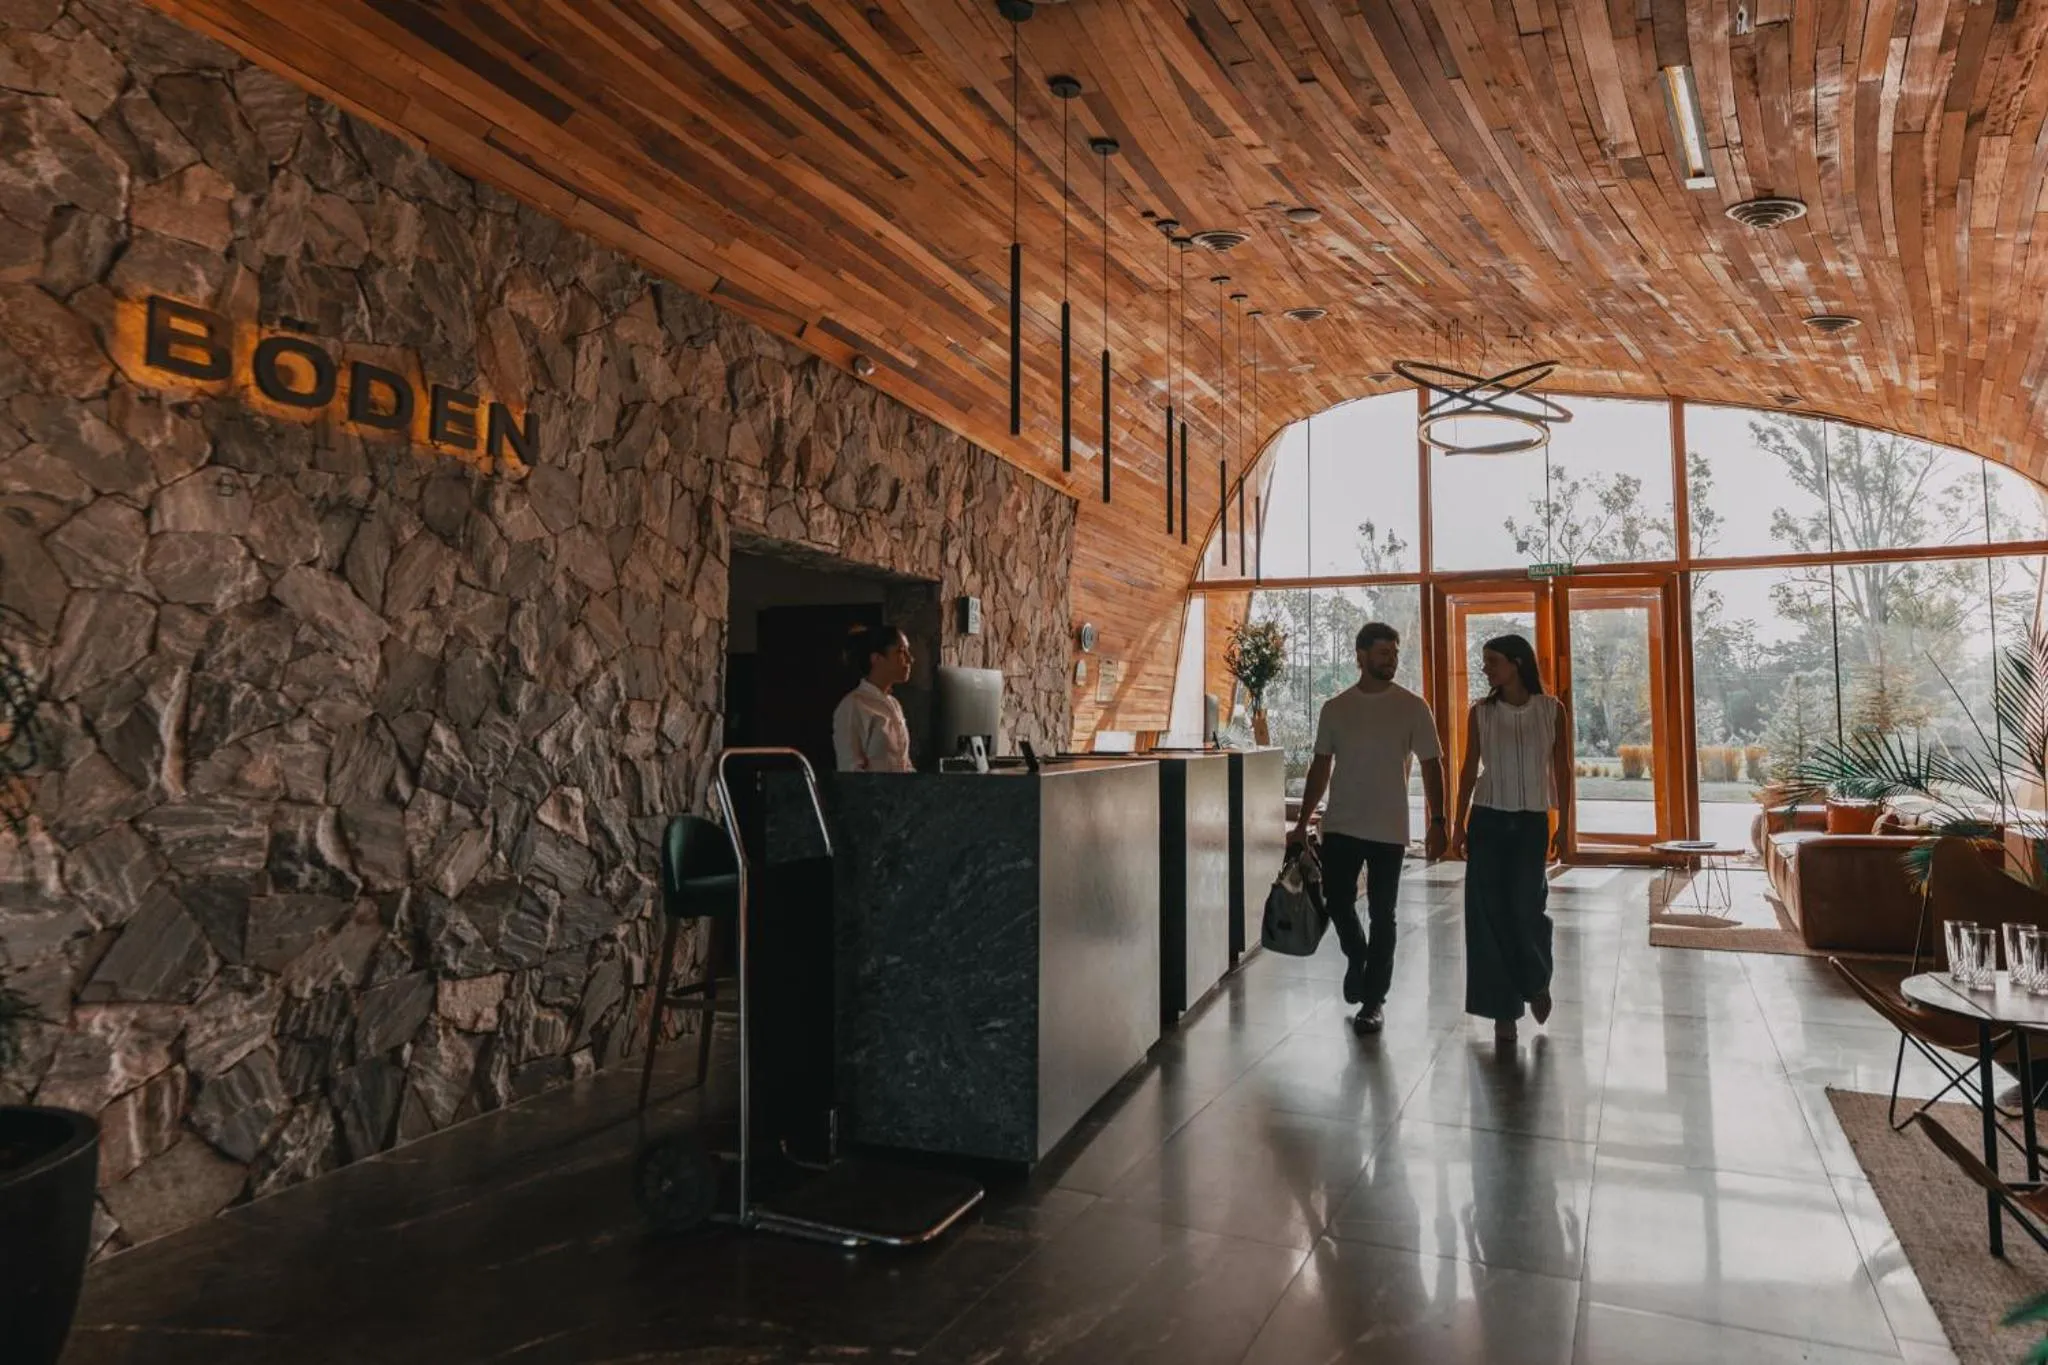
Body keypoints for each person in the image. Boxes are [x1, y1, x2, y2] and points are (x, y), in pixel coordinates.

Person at [1288, 622, 1447, 1036]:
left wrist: (1439, 820)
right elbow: (1320, 766)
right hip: (1341, 823)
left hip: (1389, 828)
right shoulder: (1335, 708)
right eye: (1382, 654)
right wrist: (1303, 821)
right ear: (1360, 656)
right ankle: (1357, 957)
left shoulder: (1413, 707)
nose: (1391, 660)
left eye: (1394, 654)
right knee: (1337, 902)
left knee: (1383, 914)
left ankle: (1374, 1001)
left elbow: (1433, 764)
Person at [1451, 633, 1572, 1042]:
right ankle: (1503, 1009)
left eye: (1492, 661)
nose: (1486, 669)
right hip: (1487, 819)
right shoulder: (1480, 713)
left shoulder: (1551, 711)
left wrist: (1567, 825)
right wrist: (1457, 822)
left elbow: (1563, 771)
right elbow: (1469, 770)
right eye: (1485, 662)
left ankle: (1536, 981)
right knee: (1488, 915)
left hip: (1531, 824)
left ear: (1517, 663)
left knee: (1526, 907)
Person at [832, 623, 914, 773]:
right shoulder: (853, 706)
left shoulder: (893, 704)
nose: (910, 660)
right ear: (876, 659)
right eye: (901, 652)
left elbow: (903, 763)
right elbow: (850, 770)